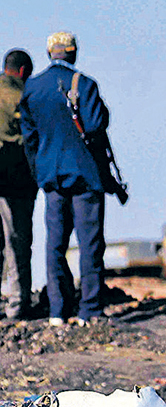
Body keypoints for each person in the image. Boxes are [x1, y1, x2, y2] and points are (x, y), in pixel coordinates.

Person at [20, 32, 112, 326]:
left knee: (55, 245)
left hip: (52, 179)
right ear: (72, 53)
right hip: (85, 176)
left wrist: (41, 173)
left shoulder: (32, 88)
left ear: (49, 53)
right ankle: (90, 309)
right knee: (90, 244)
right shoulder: (85, 84)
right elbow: (97, 126)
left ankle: (58, 311)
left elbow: (29, 139)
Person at [0, 49, 37, 320]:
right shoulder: (24, 96)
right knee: (17, 242)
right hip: (16, 182)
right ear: (23, 71)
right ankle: (17, 303)